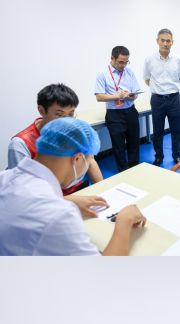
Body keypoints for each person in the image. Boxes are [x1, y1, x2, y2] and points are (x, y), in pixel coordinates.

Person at [0, 118, 146, 256]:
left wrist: (67, 200)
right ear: (77, 158)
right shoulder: (60, 215)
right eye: (89, 161)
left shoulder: (4, 178)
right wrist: (124, 221)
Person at [8, 83, 103, 194]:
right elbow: (24, 190)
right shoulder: (20, 144)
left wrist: (103, 189)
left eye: (71, 114)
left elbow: (90, 161)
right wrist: (73, 200)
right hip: (46, 198)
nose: (66, 120)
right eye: (59, 114)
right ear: (41, 111)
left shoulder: (73, 129)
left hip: (76, 190)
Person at [95, 46, 142, 173]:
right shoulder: (102, 74)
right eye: (121, 62)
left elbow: (135, 94)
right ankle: (123, 172)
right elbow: (99, 97)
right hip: (114, 114)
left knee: (134, 143)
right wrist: (118, 96)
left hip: (130, 111)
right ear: (112, 58)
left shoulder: (129, 72)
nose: (123, 65)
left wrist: (130, 95)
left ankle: (135, 168)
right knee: (119, 146)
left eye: (126, 62)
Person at [143, 27, 180, 166]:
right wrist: (159, 90)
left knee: (176, 130)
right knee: (157, 131)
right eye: (163, 40)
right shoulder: (149, 60)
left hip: (174, 98)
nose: (165, 43)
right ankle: (158, 156)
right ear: (157, 41)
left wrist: (170, 89)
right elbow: (147, 79)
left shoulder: (179, 60)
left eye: (168, 41)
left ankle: (177, 155)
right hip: (157, 100)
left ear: (172, 42)